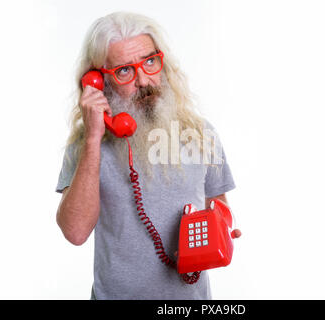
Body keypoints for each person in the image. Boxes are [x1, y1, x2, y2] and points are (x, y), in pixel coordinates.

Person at [55, 11, 241, 300]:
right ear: (98, 81)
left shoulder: (201, 133)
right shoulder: (85, 145)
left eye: (150, 62)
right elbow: (75, 232)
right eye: (125, 71)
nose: (144, 80)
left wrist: (223, 232)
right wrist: (93, 138)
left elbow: (218, 206)